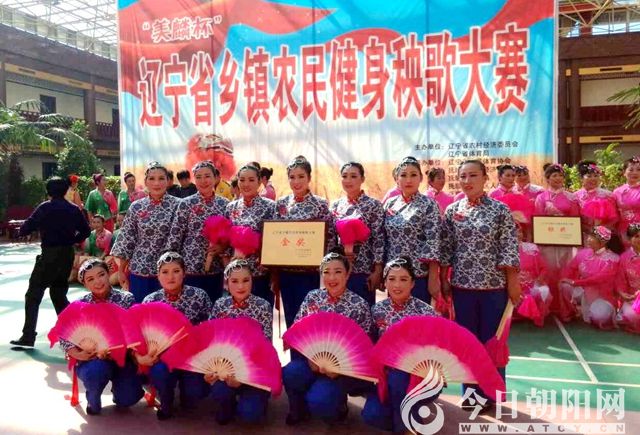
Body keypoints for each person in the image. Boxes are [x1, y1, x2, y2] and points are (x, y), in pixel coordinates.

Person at [440, 160, 520, 411]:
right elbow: (446, 249)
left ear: (485, 178)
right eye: (463, 176)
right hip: (462, 288)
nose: (467, 181)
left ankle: (492, 392)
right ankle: (471, 393)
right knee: (468, 343)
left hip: (494, 288)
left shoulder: (499, 210)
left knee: (492, 342)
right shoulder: (453, 211)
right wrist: (443, 279)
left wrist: (513, 283)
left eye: (473, 175)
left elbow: (509, 248)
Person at [282, 251, 373, 426]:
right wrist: (310, 358)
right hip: (312, 362)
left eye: (338, 272)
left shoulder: (359, 305)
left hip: (342, 370)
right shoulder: (313, 297)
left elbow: (363, 347)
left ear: (347, 274)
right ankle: (298, 410)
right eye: (326, 272)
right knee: (291, 372)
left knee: (321, 402)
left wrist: (339, 368)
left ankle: (338, 407)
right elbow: (297, 331)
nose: (332, 277)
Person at [10, 177, 91, 348]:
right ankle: (75, 334)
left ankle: (28, 335)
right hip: (67, 254)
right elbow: (85, 230)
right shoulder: (73, 209)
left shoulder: (45, 207)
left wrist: (20, 230)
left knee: (33, 295)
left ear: (48, 191)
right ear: (65, 190)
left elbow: (27, 228)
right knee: (59, 294)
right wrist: (72, 240)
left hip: (49, 255)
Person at [362, 258, 439, 433]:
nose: (397, 285)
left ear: (412, 283)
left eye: (403, 279)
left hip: (418, 375)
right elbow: (368, 343)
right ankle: (405, 416)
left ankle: (406, 427)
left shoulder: (426, 312)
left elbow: (436, 350)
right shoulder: (376, 311)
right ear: (384, 283)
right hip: (385, 374)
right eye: (391, 279)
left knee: (398, 381)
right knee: (372, 415)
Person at [59, 259, 143, 415]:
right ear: (85, 284)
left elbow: (136, 330)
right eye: (90, 279)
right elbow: (64, 335)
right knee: (95, 371)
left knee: (128, 398)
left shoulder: (126, 299)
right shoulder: (80, 305)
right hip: (94, 360)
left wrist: (124, 351)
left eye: (101, 275)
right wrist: (77, 353)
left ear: (108, 274)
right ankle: (93, 397)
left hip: (124, 359)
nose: (97, 282)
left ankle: (120, 392)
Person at [137, 252, 212, 420]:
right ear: (158, 276)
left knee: (195, 396)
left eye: (176, 271)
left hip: (192, 356)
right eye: (165, 272)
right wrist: (144, 355)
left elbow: (209, 328)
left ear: (184, 273)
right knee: (160, 373)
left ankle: (187, 393)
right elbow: (140, 334)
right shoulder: (150, 301)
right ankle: (166, 400)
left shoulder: (199, 296)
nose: (170, 277)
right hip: (163, 359)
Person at [207, 260, 274, 424]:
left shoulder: (263, 306)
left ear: (252, 280)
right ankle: (227, 405)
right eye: (234, 281)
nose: (240, 286)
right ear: (226, 283)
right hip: (226, 369)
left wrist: (242, 374)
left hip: (255, 368)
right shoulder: (220, 305)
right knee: (219, 391)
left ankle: (257, 399)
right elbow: (211, 341)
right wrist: (215, 369)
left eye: (245, 280)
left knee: (250, 414)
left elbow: (265, 348)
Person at [274, 157, 337, 328]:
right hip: (286, 272)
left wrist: (324, 266)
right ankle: (292, 347)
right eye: (292, 177)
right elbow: (275, 238)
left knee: (309, 319)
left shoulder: (320, 204)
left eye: (301, 176)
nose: (296, 182)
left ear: (309, 177)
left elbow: (330, 237)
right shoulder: (281, 204)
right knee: (291, 318)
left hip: (310, 273)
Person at [111, 162, 180, 302]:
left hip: (170, 272)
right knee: (140, 310)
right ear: (146, 181)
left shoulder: (179, 205)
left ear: (168, 181)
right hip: (140, 270)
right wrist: (121, 270)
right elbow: (127, 240)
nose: (156, 183)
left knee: (166, 312)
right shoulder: (137, 207)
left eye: (161, 178)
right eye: (152, 178)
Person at [165, 161, 230, 303]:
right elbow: (175, 235)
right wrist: (172, 265)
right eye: (198, 177)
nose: (203, 181)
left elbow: (230, 236)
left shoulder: (225, 204)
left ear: (215, 178)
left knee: (213, 305)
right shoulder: (186, 203)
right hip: (189, 268)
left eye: (207, 176)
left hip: (216, 269)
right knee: (190, 306)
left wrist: (222, 248)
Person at [383, 157, 441, 304]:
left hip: (418, 276)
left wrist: (433, 279)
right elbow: (383, 239)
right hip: (394, 276)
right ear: (397, 179)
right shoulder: (390, 204)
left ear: (420, 178)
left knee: (418, 317)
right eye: (403, 175)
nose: (408, 180)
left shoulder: (429, 204)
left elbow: (433, 242)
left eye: (413, 175)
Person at [330, 162, 384, 306]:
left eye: (353, 176)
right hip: (339, 272)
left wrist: (377, 271)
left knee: (363, 311)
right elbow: (332, 239)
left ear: (362, 179)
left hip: (364, 272)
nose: (348, 180)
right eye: (344, 176)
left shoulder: (373, 205)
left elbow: (379, 239)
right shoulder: (336, 206)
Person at [534, 163, 580, 321]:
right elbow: (538, 218)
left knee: (565, 271)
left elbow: (575, 218)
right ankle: (548, 307)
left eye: (560, 175)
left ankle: (565, 308)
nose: (558, 178)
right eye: (554, 176)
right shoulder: (541, 197)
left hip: (565, 240)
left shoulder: (571, 197)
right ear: (547, 179)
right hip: (547, 241)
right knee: (549, 270)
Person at [226, 164, 276, 305]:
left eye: (251, 180)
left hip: (260, 275)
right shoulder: (231, 208)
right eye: (242, 180)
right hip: (236, 276)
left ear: (259, 182)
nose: (246, 184)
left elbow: (275, 242)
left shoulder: (271, 207)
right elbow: (225, 242)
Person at [559, 227, 619, 329]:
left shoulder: (612, 259)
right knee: (564, 285)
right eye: (589, 236)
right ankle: (571, 312)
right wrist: (565, 278)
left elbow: (597, 279)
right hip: (583, 291)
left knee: (600, 317)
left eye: (592, 237)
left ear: (603, 242)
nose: (588, 239)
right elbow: (570, 268)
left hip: (601, 296)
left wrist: (574, 282)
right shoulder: (583, 253)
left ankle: (595, 311)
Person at [574, 160, 618, 241]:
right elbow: (575, 219)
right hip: (583, 235)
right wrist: (588, 229)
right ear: (581, 178)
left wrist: (601, 231)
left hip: (604, 236)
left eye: (596, 175)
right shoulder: (575, 197)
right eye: (589, 176)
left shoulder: (608, 195)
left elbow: (614, 218)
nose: (593, 179)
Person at [517, 224, 551, 327]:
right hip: (512, 284)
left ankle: (538, 316)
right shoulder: (503, 249)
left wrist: (540, 278)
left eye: (520, 231)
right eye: (514, 231)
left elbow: (543, 267)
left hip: (532, 283)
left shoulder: (531, 248)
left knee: (544, 291)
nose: (517, 234)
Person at [615, 223, 640, 333]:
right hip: (632, 299)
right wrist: (623, 293)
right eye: (636, 236)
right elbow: (620, 280)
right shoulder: (624, 257)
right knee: (632, 315)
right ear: (629, 239)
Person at [613, 156, 640, 246]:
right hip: (624, 229)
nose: (635, 173)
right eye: (631, 170)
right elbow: (614, 214)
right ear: (624, 172)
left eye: (638, 170)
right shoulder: (617, 192)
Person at [513, 165, 543, 242]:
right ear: (514, 177)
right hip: (517, 227)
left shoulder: (538, 190)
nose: (523, 177)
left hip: (534, 225)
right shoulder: (511, 191)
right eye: (519, 175)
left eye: (525, 174)